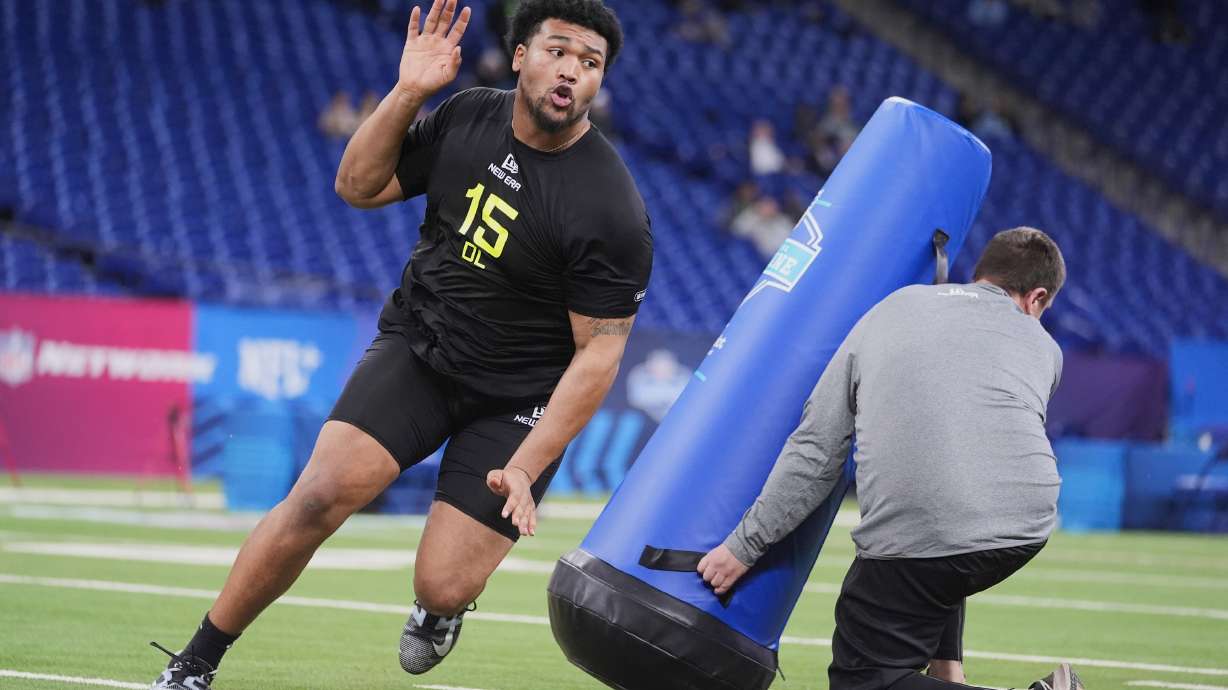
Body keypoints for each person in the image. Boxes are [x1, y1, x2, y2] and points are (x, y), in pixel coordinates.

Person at [149, 1, 650, 687]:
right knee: (318, 495)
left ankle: (440, 610)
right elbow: (357, 185)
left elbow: (599, 354)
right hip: (421, 350)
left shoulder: (611, 207)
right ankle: (196, 661)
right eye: (558, 51)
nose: (572, 71)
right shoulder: (468, 114)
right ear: (520, 56)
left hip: (516, 400)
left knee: (443, 582)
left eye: (590, 63)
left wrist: (528, 467)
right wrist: (410, 91)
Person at [698, 228, 1086, 690]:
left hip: (934, 529)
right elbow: (957, 464)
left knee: (862, 680)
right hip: (1027, 523)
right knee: (937, 546)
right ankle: (947, 674)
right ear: (1036, 297)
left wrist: (744, 546)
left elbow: (818, 448)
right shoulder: (1046, 349)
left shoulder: (893, 308)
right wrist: (947, 659)